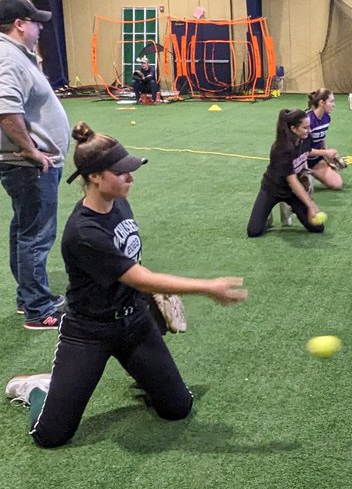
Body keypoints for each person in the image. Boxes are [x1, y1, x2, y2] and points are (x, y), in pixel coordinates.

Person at [4, 122, 247, 449]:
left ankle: (145, 375)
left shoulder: (118, 202)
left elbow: (131, 260)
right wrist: (207, 287)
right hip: (89, 332)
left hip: (133, 322)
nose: (130, 177)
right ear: (95, 177)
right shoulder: (84, 232)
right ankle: (39, 388)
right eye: (121, 172)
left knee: (178, 408)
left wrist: (149, 299)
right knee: (51, 436)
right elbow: (137, 277)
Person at [0, 0, 71, 331]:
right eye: (35, 22)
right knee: (35, 236)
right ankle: (38, 310)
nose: (40, 28)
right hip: (29, 167)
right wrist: (31, 150)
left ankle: (28, 298)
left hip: (28, 166)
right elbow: (6, 110)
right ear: (19, 24)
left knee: (24, 231)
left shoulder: (17, 54)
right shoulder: (7, 57)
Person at [247, 107, 326, 238]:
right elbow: (292, 181)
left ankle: (291, 208)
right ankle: (266, 213)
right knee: (254, 231)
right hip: (272, 189)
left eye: (309, 126)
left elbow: (306, 152)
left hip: (291, 193)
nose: (309, 130)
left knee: (317, 227)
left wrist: (326, 153)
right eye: (305, 127)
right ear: (293, 129)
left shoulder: (306, 138)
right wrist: (310, 205)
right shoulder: (281, 149)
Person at [307, 87, 344, 191]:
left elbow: (322, 137)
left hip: (315, 160)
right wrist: (326, 152)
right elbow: (304, 151)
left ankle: (311, 173)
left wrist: (328, 157)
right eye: (331, 101)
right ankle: (302, 173)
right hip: (301, 160)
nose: (334, 105)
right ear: (322, 103)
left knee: (337, 184)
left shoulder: (326, 118)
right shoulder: (307, 121)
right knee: (304, 189)